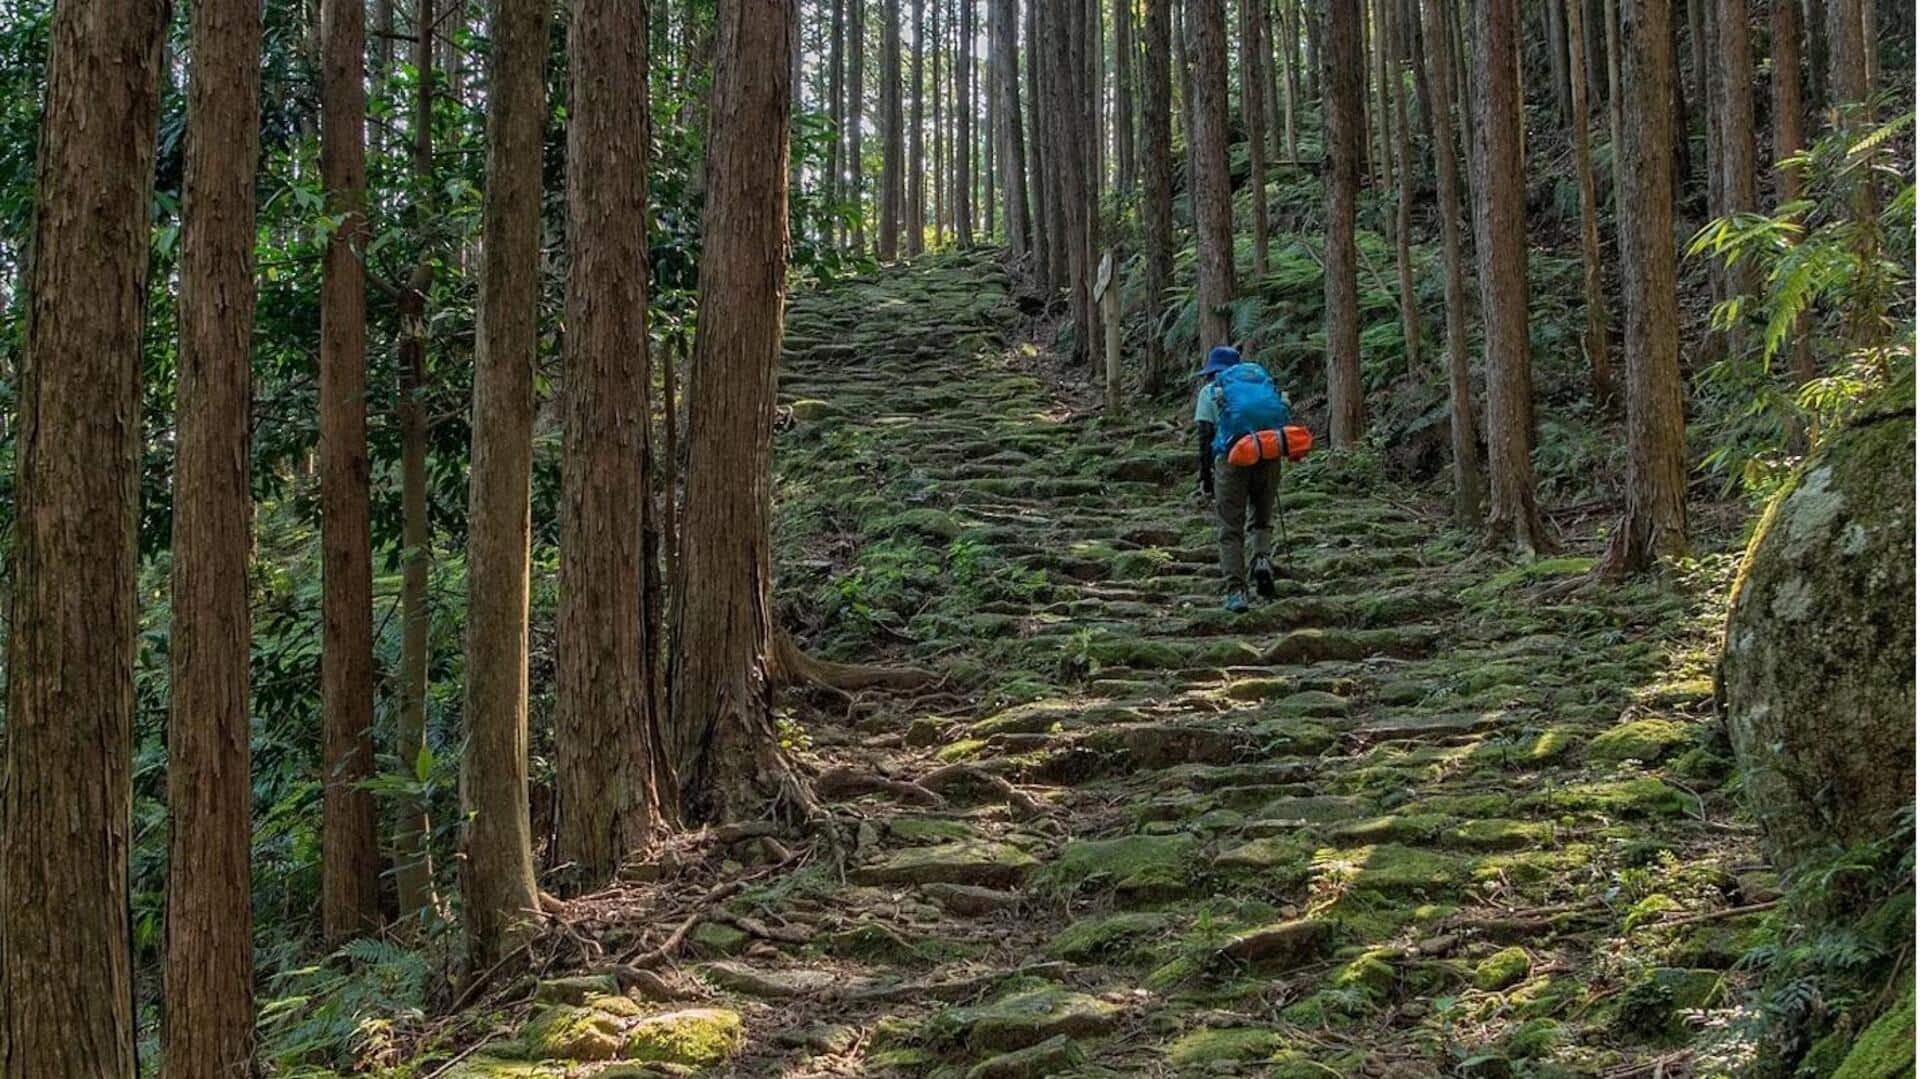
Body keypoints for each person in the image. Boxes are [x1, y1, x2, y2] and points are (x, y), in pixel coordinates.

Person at [1193, 344, 1288, 613]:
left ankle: (1235, 591)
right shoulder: (1261, 385)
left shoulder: (1210, 392)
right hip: (1267, 454)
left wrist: (1206, 477)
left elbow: (1204, 437)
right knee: (1261, 518)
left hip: (1232, 461)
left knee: (1230, 528)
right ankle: (1261, 561)